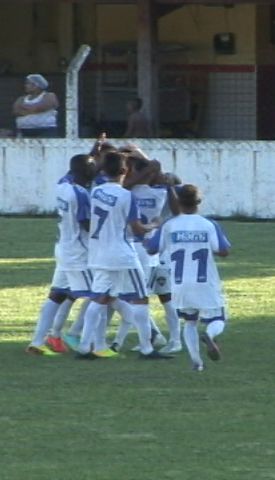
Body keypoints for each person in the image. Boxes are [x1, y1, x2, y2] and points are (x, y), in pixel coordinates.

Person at [75, 152, 172, 360]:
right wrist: (154, 224)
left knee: (98, 299)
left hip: (98, 252)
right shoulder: (127, 196)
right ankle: (146, 348)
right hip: (122, 254)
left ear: (103, 171)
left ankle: (84, 347)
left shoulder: (96, 191)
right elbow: (137, 229)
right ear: (124, 170)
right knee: (140, 299)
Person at [145, 184, 231, 371]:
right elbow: (223, 251)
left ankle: (196, 363)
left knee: (190, 321)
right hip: (204, 280)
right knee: (218, 318)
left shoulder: (169, 225)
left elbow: (152, 248)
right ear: (199, 201)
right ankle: (209, 334)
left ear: (178, 202)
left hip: (178, 283)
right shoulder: (208, 224)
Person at [25, 154, 96, 355]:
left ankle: (38, 341)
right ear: (85, 171)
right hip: (78, 252)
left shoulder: (62, 185)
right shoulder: (80, 194)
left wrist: (93, 151)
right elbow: (86, 224)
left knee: (57, 295)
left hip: (63, 248)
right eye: (92, 166)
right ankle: (90, 343)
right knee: (101, 295)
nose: (95, 169)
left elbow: (75, 168)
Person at [12, 74, 59, 138]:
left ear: (36, 85)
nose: (25, 86)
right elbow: (16, 111)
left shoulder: (49, 96)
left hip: (45, 130)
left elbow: (42, 107)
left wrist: (25, 109)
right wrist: (34, 109)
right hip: (23, 130)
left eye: (28, 84)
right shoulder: (21, 98)